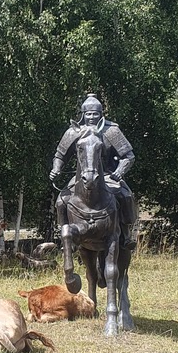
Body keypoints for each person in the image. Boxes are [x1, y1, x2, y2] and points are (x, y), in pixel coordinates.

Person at [49, 93, 137, 247]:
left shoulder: (111, 131)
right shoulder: (73, 131)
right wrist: (56, 168)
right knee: (60, 202)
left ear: (101, 114)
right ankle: (65, 235)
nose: (91, 117)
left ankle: (126, 233)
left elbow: (128, 156)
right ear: (83, 114)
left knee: (126, 196)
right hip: (82, 176)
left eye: (95, 114)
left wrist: (120, 171)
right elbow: (60, 155)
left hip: (108, 175)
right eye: (88, 114)